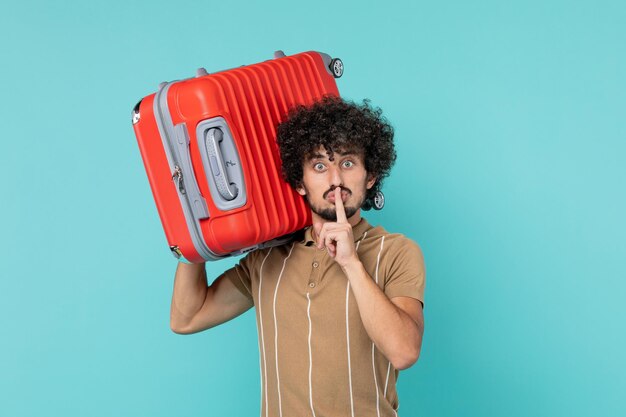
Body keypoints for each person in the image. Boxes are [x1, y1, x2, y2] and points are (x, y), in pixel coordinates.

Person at [170, 96, 426, 417]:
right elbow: (187, 318)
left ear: (370, 176)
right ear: (300, 183)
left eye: (347, 163)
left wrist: (351, 264)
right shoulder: (267, 257)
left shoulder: (397, 251)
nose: (335, 179)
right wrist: (192, 230)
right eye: (319, 166)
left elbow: (403, 352)